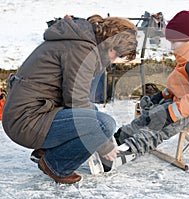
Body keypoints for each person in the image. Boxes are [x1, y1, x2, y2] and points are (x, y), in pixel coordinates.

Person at [2, 14, 137, 184]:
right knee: (103, 125)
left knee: (94, 113)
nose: (113, 61)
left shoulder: (81, 40)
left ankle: (45, 150)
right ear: (111, 45)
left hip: (34, 111)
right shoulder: (81, 49)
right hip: (26, 121)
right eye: (116, 55)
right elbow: (76, 101)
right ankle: (55, 165)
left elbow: (74, 98)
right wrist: (104, 146)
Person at [113, 11, 189, 162]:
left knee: (159, 124)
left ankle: (127, 151)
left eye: (174, 42)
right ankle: (119, 138)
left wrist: (171, 114)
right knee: (151, 115)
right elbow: (182, 86)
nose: (171, 47)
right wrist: (162, 96)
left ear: (186, 41)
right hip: (185, 103)